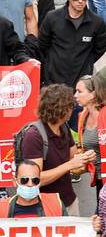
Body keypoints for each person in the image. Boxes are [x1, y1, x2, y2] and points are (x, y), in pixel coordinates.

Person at [19, 83, 96, 216]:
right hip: (45, 207)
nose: (72, 111)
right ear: (61, 110)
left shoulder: (63, 128)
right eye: (70, 107)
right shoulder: (34, 136)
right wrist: (69, 165)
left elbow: (74, 159)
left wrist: (85, 159)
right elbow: (35, 179)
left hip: (68, 201)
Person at [39, 0, 106, 88]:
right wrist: (51, 66)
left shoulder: (96, 23)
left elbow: (100, 48)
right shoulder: (52, 18)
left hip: (81, 85)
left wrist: (87, 64)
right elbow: (42, 46)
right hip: (54, 82)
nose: (80, 1)